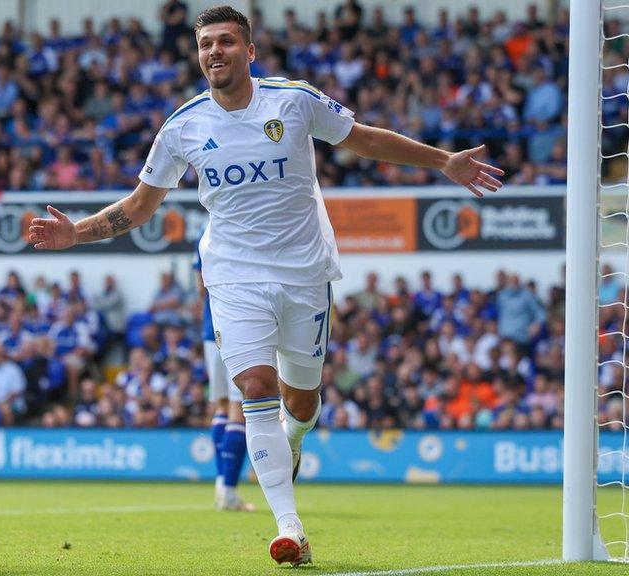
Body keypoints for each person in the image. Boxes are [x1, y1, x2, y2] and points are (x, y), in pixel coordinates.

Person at [28, 6, 503, 567]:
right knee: (254, 384)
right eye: (206, 44)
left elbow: (365, 139)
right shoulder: (183, 125)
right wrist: (75, 234)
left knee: (301, 400)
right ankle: (289, 526)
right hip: (233, 273)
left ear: (250, 51)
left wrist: (444, 160)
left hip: (305, 272)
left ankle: (293, 438)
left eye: (226, 42)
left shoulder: (293, 100)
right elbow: (138, 207)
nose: (215, 52)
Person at [195, 241, 252, 512]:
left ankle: (221, 485)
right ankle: (229, 491)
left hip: (210, 328)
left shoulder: (203, 234)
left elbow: (199, 288)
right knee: (236, 407)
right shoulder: (243, 228)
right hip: (240, 327)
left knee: (219, 405)